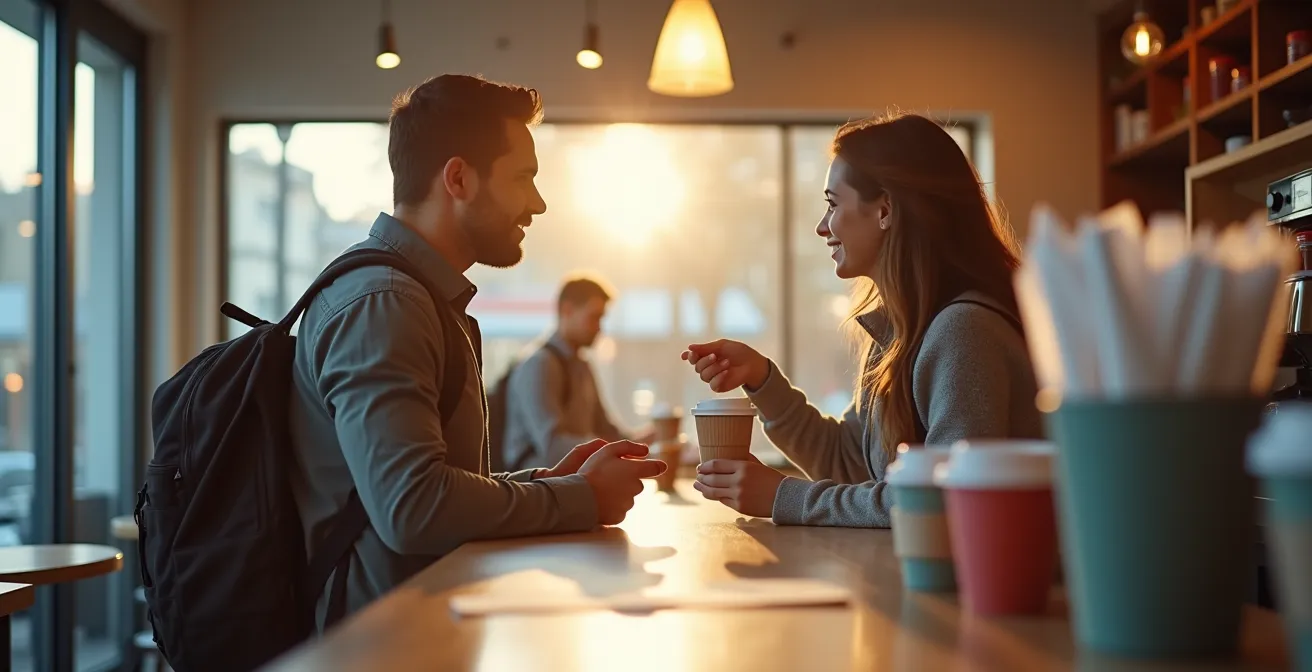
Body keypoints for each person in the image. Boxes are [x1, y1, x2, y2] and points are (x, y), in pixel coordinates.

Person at [287, 74, 664, 623]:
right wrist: (579, 498)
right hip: (377, 647)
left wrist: (555, 483)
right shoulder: (385, 303)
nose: (537, 203)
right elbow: (412, 508)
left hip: (418, 630)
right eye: (523, 178)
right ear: (459, 178)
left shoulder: (418, 299)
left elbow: (433, 487)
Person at [681, 113, 1042, 527]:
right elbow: (848, 460)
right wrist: (763, 379)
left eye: (833, 204)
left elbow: (941, 502)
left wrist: (783, 496)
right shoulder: (901, 333)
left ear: (885, 208)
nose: (822, 227)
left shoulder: (965, 332)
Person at [499, 274, 656, 471]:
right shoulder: (539, 365)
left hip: (568, 481)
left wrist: (644, 444)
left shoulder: (582, 366)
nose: (599, 327)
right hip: (534, 489)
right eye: (593, 317)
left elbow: (606, 429)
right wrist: (610, 451)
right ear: (567, 310)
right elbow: (553, 447)